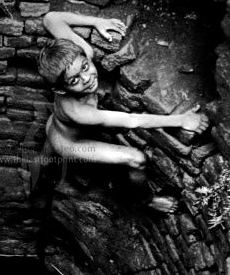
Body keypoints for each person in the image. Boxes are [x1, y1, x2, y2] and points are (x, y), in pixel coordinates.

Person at [36, 11, 210, 212]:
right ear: (60, 89)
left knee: (44, 161)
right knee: (136, 159)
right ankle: (146, 200)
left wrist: (96, 22)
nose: (87, 78)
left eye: (85, 67)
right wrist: (181, 120)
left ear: (84, 56)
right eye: (74, 81)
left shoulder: (78, 53)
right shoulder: (78, 112)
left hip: (56, 125)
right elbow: (132, 121)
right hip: (68, 144)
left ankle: (40, 184)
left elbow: (51, 19)